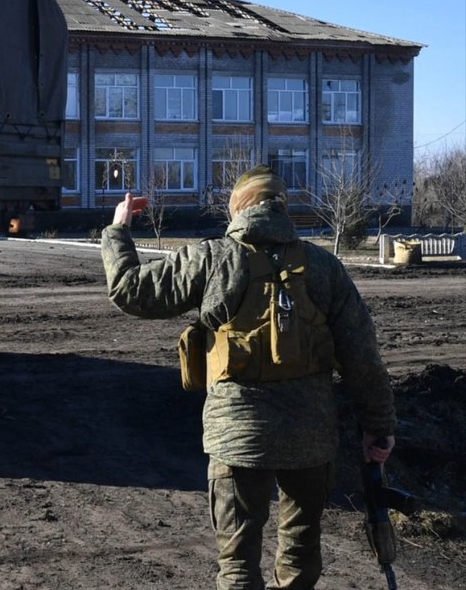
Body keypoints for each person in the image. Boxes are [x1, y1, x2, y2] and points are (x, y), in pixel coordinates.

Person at [99, 165, 396, 590]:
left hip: (238, 437)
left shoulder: (211, 258)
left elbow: (130, 290)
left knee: (237, 567)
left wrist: (118, 229)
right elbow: (362, 357)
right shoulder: (324, 267)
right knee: (299, 560)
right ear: (282, 207)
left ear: (238, 208)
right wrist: (379, 428)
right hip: (309, 437)